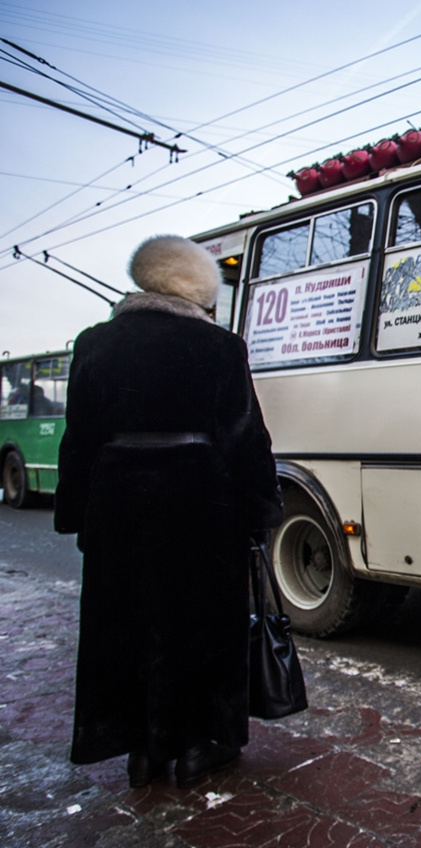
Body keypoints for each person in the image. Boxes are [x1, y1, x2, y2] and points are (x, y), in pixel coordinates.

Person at [54, 235, 283, 789]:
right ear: (197, 286)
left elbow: (78, 438)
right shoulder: (220, 348)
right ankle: (199, 746)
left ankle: (142, 750)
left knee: (126, 624)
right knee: (203, 625)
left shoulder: (96, 344)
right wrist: (260, 512)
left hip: (116, 501)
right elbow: (245, 439)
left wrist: (77, 514)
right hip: (200, 501)